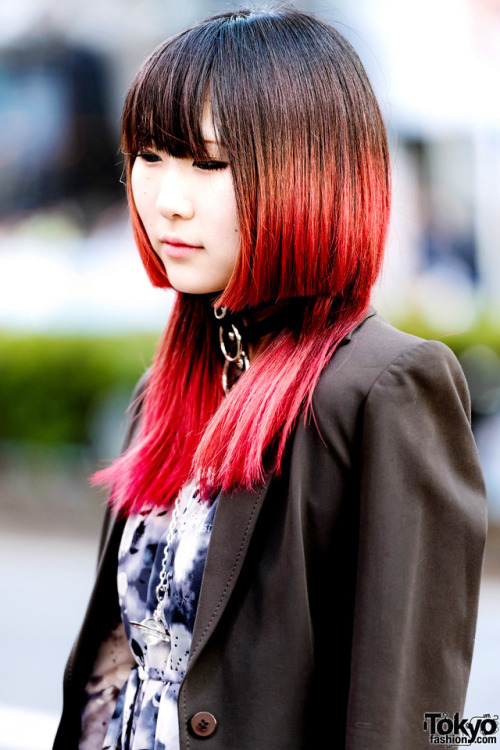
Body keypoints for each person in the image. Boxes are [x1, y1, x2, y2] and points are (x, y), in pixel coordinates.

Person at [53, 7, 487, 750]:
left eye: (211, 164)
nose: (167, 199)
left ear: (311, 173)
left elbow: (408, 720)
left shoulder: (384, 388)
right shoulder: (168, 391)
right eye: (149, 156)